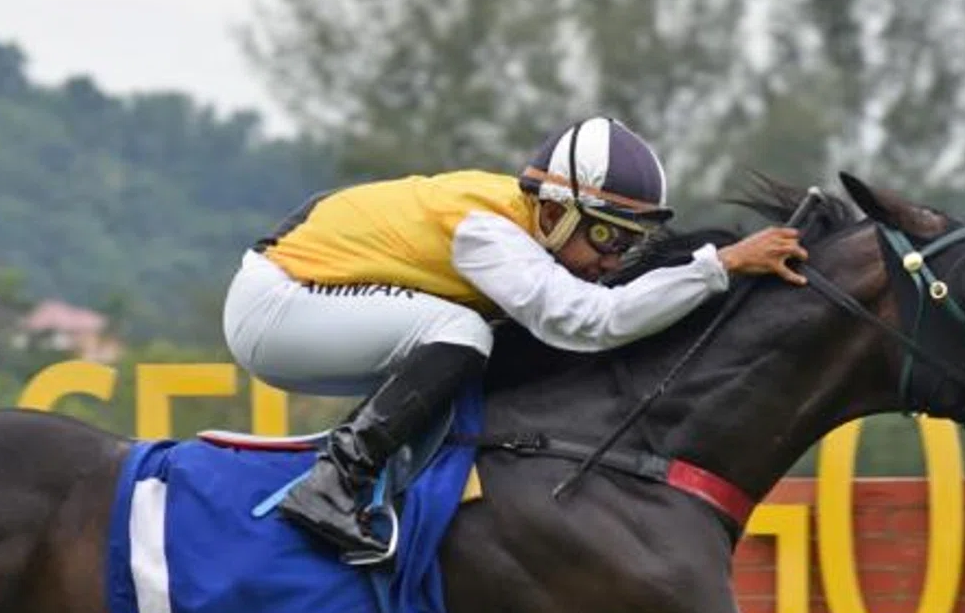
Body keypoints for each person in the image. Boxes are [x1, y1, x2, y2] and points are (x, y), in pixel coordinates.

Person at [222, 116, 809, 560]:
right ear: (554, 212)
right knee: (463, 331)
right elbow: (590, 320)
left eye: (628, 243)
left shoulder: (518, 221)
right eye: (605, 234)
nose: (613, 258)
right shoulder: (491, 233)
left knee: (482, 339)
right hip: (277, 305)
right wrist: (720, 265)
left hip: (307, 290)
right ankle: (332, 483)